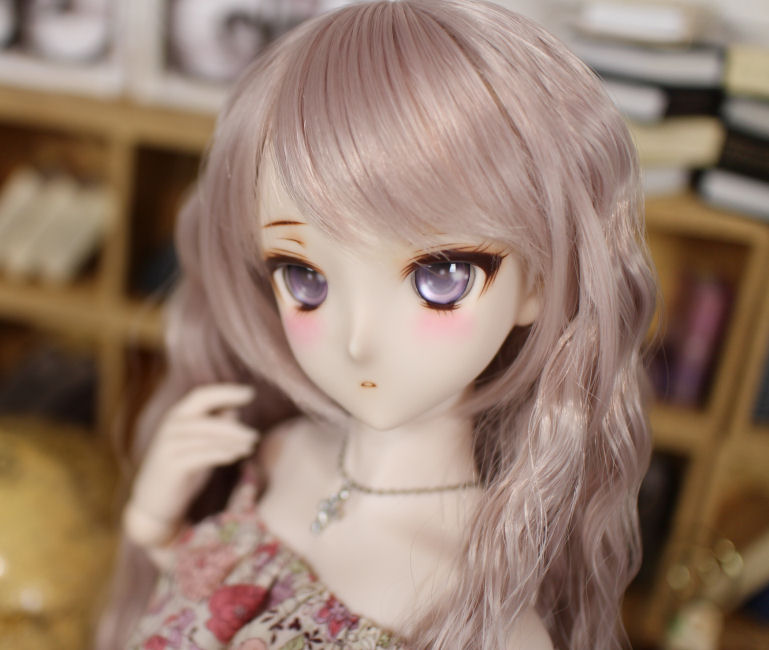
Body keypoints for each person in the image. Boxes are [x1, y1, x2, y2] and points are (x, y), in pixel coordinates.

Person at [98, 1, 657, 648]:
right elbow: (221, 616)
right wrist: (153, 523)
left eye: (440, 277)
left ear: (537, 284)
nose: (358, 340)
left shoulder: (481, 621)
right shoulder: (278, 456)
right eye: (304, 277)